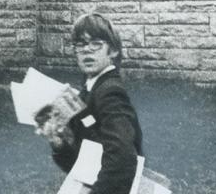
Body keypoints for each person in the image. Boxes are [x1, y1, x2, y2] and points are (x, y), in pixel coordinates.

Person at [37, 13, 142, 194]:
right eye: (80, 44)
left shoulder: (110, 92)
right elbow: (83, 164)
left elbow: (122, 160)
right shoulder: (89, 90)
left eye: (96, 44)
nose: (87, 50)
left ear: (114, 51)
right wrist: (59, 144)